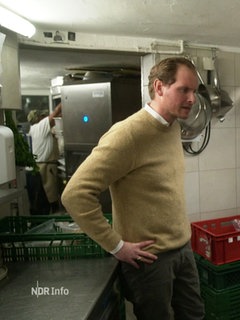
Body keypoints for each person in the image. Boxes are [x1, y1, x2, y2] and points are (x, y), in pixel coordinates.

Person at [61, 57, 205, 320]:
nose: (192, 99)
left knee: (195, 315)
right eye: (184, 90)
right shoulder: (127, 135)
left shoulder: (172, 127)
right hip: (150, 262)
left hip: (182, 250)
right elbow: (75, 194)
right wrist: (116, 246)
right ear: (160, 87)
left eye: (194, 91)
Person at [27, 103, 62, 213]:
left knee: (41, 201)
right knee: (48, 200)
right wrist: (66, 99)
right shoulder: (40, 126)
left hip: (37, 168)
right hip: (43, 169)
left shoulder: (34, 130)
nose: (45, 117)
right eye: (43, 116)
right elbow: (56, 112)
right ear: (38, 119)